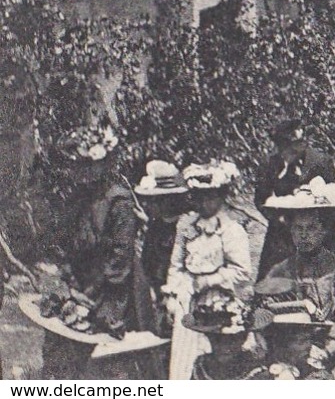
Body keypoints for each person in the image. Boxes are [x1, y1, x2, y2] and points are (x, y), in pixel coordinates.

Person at [41, 127, 163, 380]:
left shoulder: (118, 200)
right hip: (81, 278)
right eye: (78, 166)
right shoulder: (77, 196)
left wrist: (92, 293)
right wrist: (68, 279)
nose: (82, 173)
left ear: (105, 164)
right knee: (62, 342)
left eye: (89, 166)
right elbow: (65, 241)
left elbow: (120, 254)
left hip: (115, 285)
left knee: (110, 355)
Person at [259, 179, 335, 379]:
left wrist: (327, 350)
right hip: (286, 355)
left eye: (311, 228)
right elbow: (263, 314)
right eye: (298, 229)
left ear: (323, 231)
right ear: (291, 231)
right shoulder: (280, 270)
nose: (304, 236)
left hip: (329, 355)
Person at [165, 161, 253, 380]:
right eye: (198, 197)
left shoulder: (232, 230)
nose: (203, 203)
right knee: (185, 357)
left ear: (222, 197)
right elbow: (175, 266)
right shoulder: (187, 227)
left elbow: (241, 272)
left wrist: (208, 281)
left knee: (212, 353)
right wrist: (173, 295)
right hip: (188, 300)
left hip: (218, 303)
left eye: (209, 197)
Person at [254, 118, 335, 277]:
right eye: (285, 150)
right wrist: (278, 218)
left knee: (325, 277)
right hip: (284, 232)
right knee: (274, 278)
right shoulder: (270, 165)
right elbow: (260, 199)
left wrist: (319, 224)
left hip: (317, 231)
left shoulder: (320, 161)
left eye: (295, 149)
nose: (288, 155)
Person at [133, 159, 190, 335]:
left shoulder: (186, 226)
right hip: (159, 293)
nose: (148, 206)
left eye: (153, 201)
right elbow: (148, 263)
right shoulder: (156, 227)